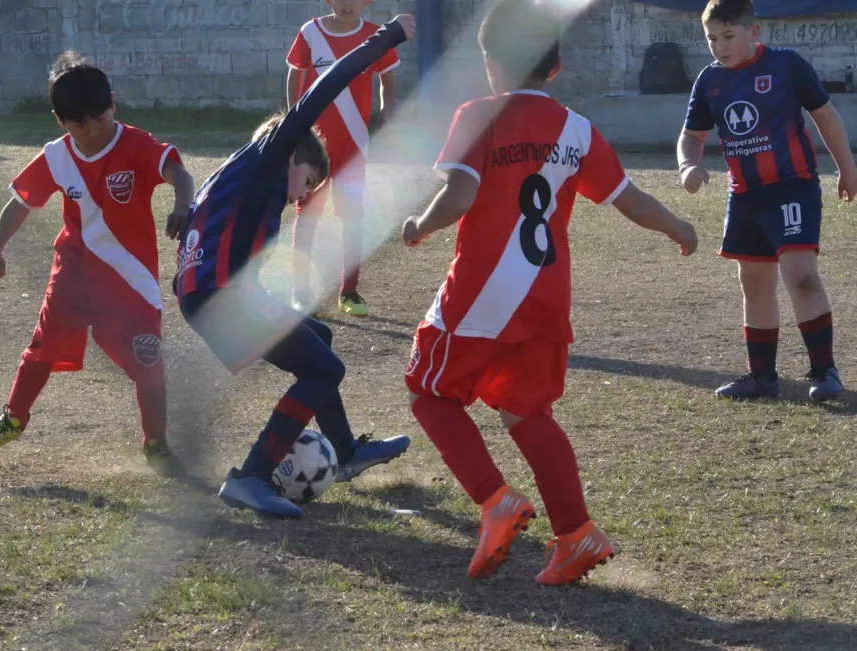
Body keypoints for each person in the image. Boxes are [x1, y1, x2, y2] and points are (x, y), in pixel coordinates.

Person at [402, 0, 698, 584]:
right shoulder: (576, 130)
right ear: (555, 68)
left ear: (490, 63)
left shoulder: (478, 116)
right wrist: (676, 226)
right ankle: (576, 534)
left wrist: (417, 225)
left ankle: (494, 500)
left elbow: (459, 198)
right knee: (525, 411)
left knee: (427, 392)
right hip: (544, 297)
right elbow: (630, 199)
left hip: (483, 292)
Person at [174, 16, 417, 518]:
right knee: (325, 369)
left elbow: (205, 220)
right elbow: (321, 91)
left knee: (319, 345)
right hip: (219, 297)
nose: (306, 194)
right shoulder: (273, 151)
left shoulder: (242, 167)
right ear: (294, 156)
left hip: (212, 294)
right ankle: (251, 477)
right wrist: (385, 37)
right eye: (309, 180)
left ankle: (344, 453)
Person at [0, 51, 195, 477]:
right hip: (72, 275)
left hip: (131, 280)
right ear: (61, 121)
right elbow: (20, 204)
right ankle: (14, 419)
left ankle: (156, 445)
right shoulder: (56, 157)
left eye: (101, 118)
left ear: (114, 103)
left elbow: (180, 173)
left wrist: (183, 204)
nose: (93, 130)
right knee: (42, 346)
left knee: (149, 362)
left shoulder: (137, 144)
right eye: (80, 124)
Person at [678, 0, 857, 402]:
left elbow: (824, 115)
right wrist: (687, 166)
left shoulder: (786, 65)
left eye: (727, 36)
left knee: (801, 275)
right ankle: (761, 377)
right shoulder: (709, 81)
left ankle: (824, 371)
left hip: (793, 185)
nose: (719, 46)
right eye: (711, 39)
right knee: (754, 284)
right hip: (745, 195)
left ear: (753, 32)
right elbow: (691, 135)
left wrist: (848, 168)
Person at [286, 0, 401, 317]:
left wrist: (386, 110)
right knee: (306, 216)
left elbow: (387, 80)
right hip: (313, 149)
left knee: (352, 219)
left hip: (354, 150)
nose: (347, 3)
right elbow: (295, 74)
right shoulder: (311, 32)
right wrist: (294, 120)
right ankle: (301, 292)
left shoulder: (376, 36)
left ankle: (349, 293)